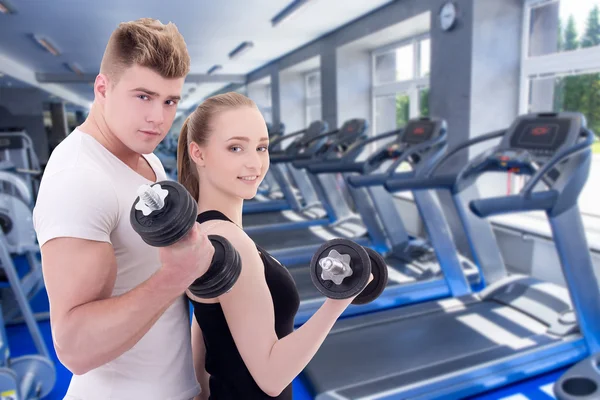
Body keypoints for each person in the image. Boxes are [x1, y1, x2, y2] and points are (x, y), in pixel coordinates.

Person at [32, 18, 214, 400]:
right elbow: (74, 349)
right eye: (143, 96)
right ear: (103, 88)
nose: (158, 118)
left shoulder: (148, 161)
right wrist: (174, 277)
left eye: (169, 101)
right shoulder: (79, 178)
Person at [177, 92, 370, 399]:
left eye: (261, 147)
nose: (254, 162)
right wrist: (340, 299)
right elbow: (271, 376)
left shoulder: (202, 230)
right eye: (236, 148)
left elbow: (203, 328)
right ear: (198, 153)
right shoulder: (231, 243)